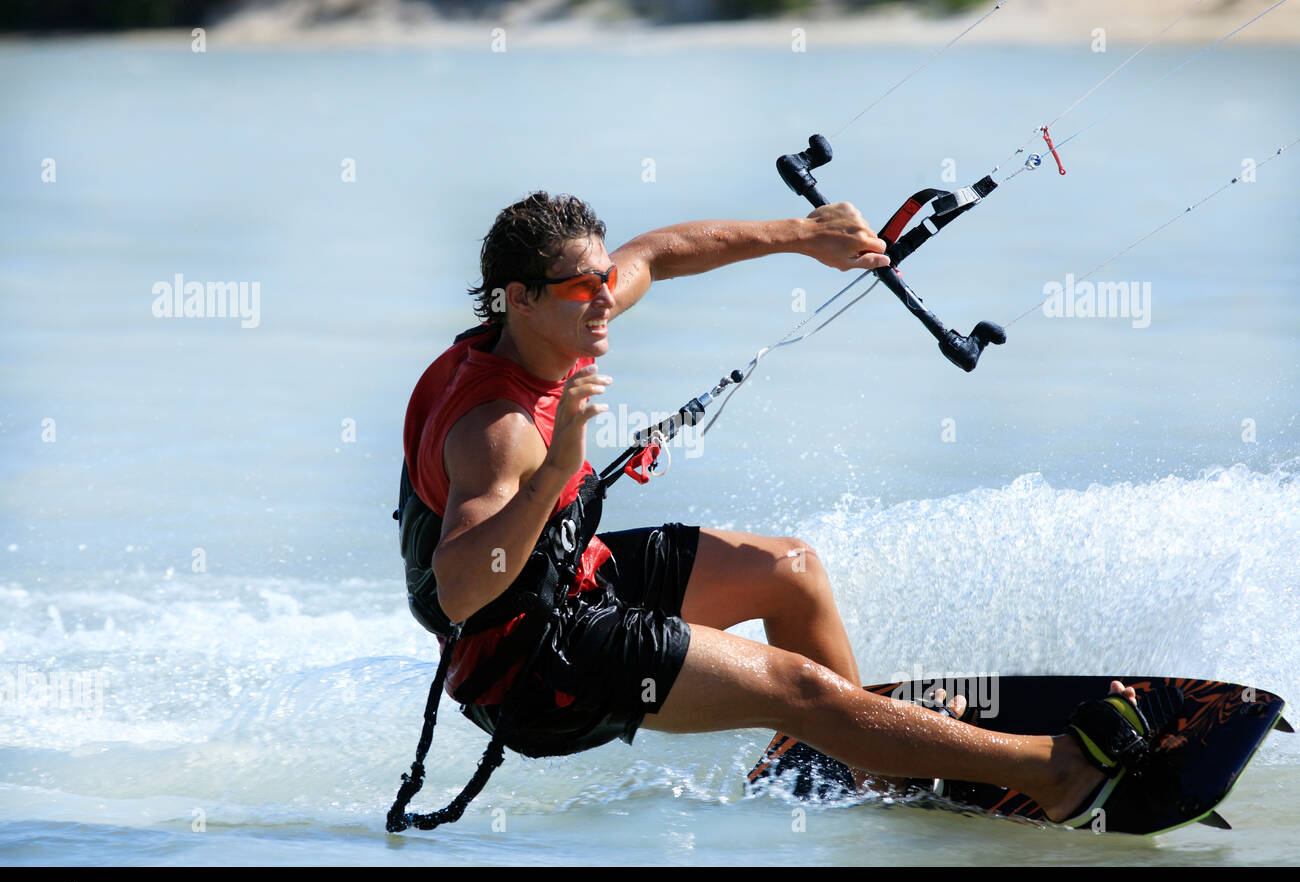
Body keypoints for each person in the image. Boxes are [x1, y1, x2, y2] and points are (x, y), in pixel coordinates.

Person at [399, 191, 1151, 826]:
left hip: (569, 577)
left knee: (791, 571)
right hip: (533, 668)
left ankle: (873, 765)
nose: (605, 298)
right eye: (581, 287)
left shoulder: (551, 319)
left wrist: (803, 237)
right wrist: (557, 468)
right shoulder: (496, 431)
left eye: (602, 278)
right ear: (519, 298)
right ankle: (1056, 773)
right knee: (799, 692)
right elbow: (462, 587)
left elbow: (659, 252)